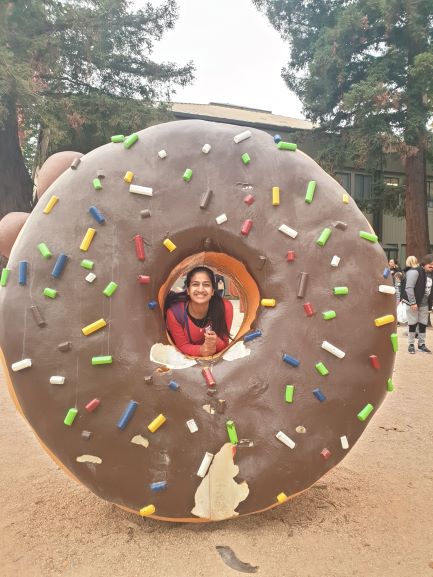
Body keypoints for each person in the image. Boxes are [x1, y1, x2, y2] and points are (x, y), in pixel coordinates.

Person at [164, 266, 233, 357]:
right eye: (195, 284)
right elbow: (182, 346)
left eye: (206, 285)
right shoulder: (175, 312)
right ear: (188, 290)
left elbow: (225, 345)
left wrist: (216, 342)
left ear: (212, 291)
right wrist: (202, 350)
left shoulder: (225, 307)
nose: (200, 289)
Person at [401, 254, 433, 354]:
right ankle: (411, 345)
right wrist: (413, 302)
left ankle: (421, 344)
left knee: (423, 324)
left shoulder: (431, 274)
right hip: (413, 303)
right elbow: (409, 288)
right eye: (430, 265)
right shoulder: (414, 272)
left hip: (424, 303)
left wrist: (431, 304)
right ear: (424, 264)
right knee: (412, 323)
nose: (432, 268)